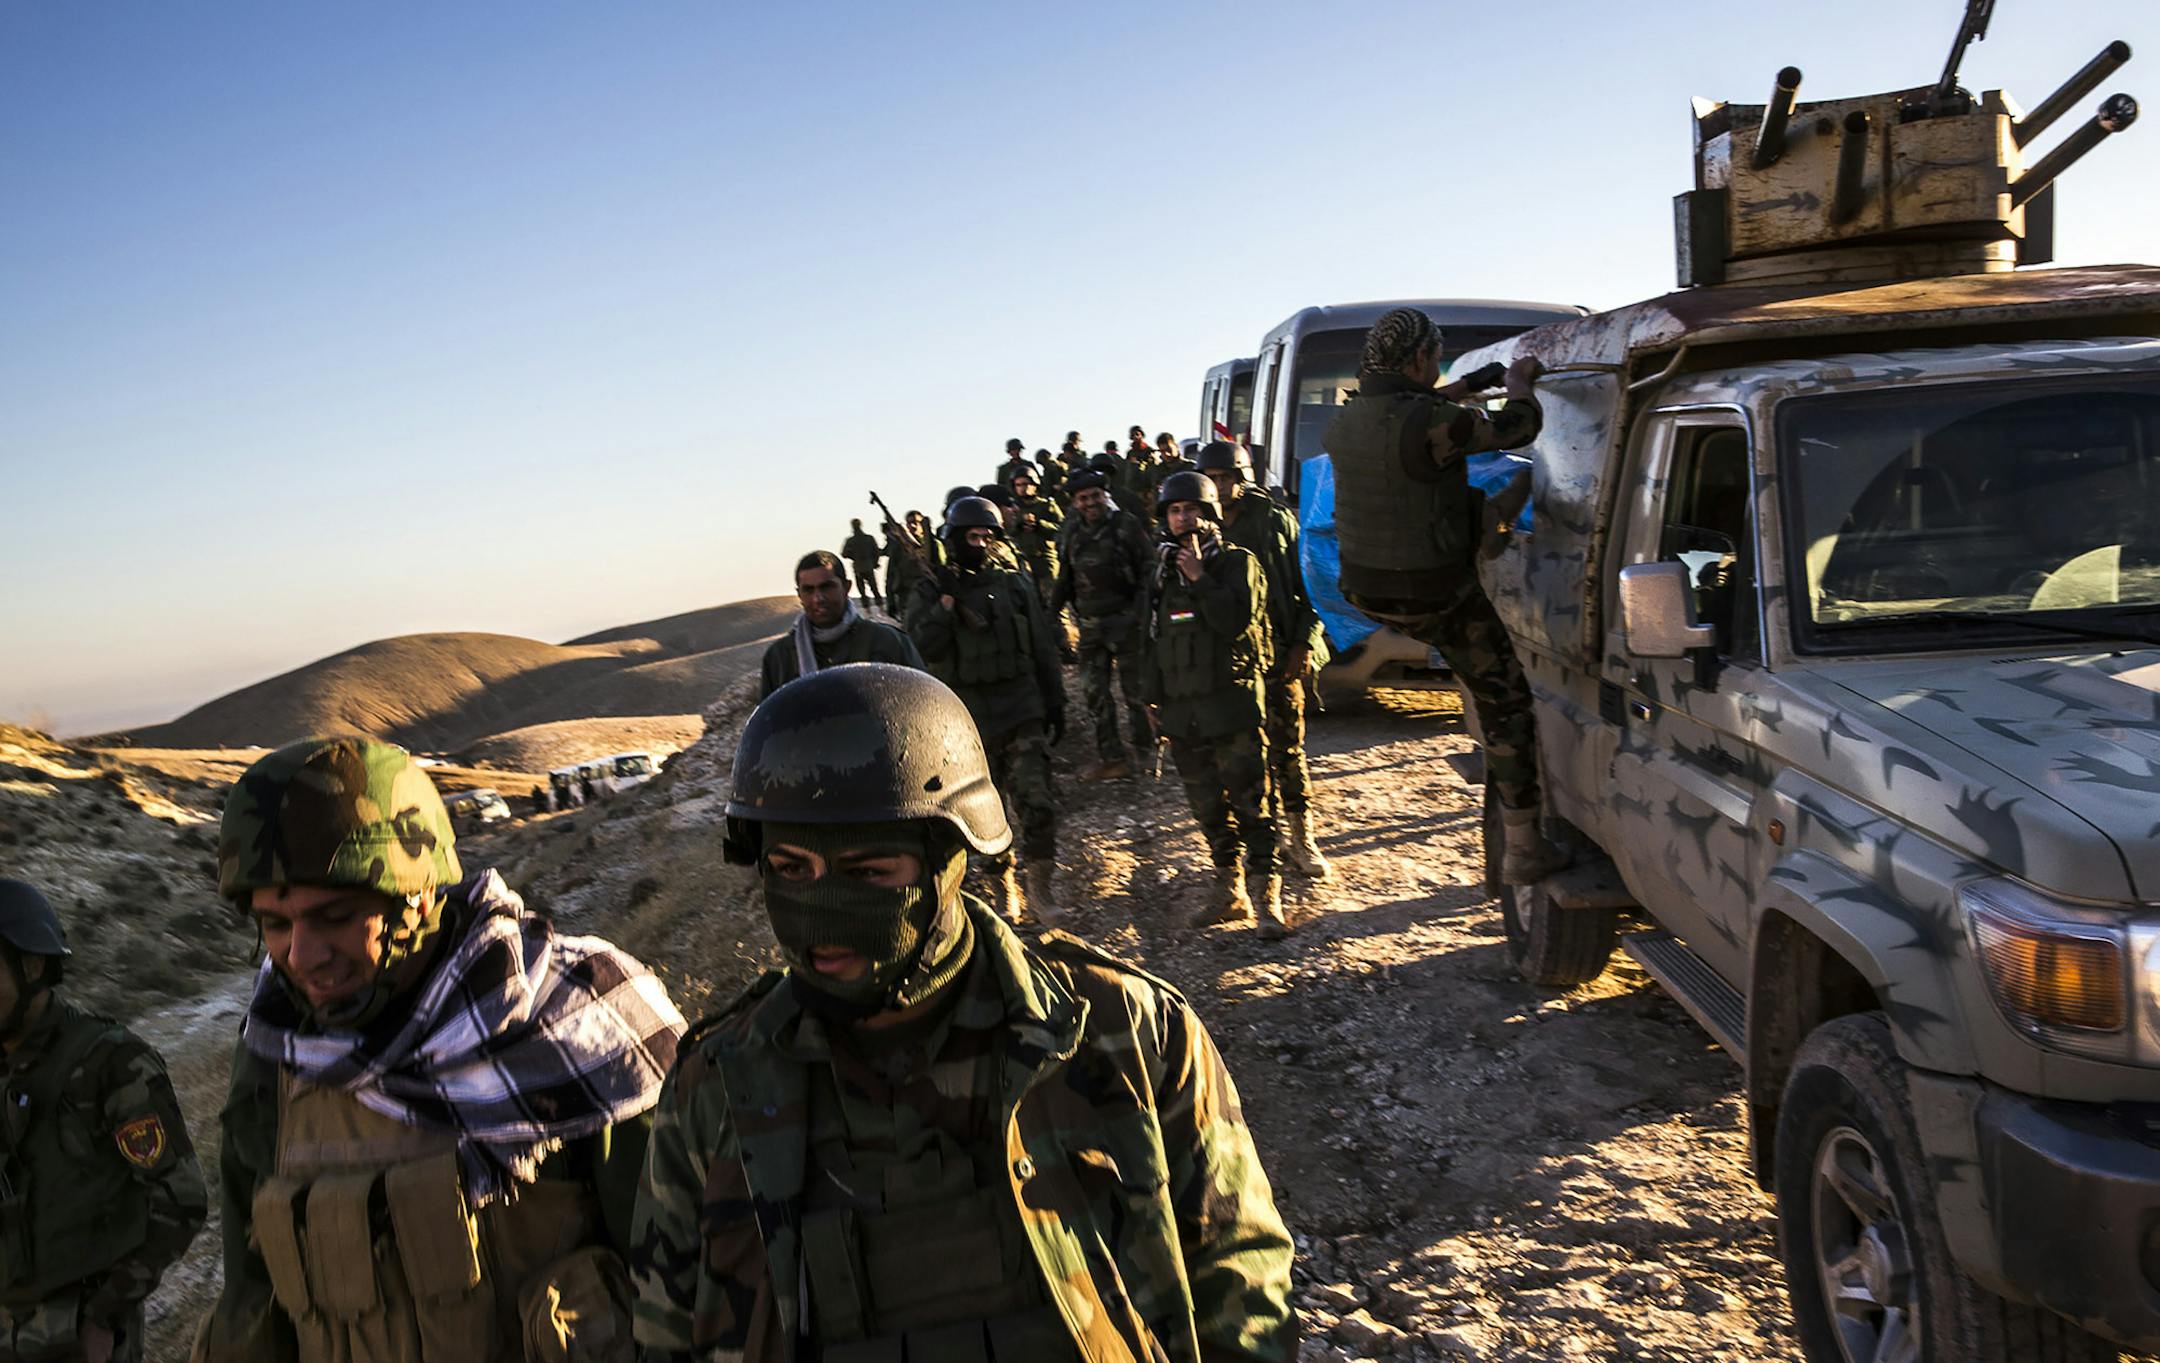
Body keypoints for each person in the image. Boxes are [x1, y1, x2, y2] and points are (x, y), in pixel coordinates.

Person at [628, 664, 1299, 1363]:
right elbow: (664, 1325)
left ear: (949, 861)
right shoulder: (718, 1084)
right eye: (791, 870)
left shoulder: (1120, 1030)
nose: (822, 913)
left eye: (866, 873)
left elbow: (1239, 1269)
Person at [194, 737, 686, 1362]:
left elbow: (682, 1282)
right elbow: (253, 1297)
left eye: (336, 916)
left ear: (416, 896)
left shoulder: (577, 1019)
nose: (302, 956)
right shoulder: (276, 1051)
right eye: (276, 924)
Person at [1323, 306, 1560, 884]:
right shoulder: (1434, 420)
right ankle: (1526, 846)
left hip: (1366, 589)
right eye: (1434, 357)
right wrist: (1519, 387)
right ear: (1420, 359)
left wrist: (1465, 388)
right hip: (1432, 593)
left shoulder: (1346, 419)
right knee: (1506, 702)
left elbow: (1410, 412)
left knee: (1468, 510)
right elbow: (1520, 427)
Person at [0, 879, 205, 1363]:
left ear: (31, 965)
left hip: (76, 1339)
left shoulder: (110, 1063)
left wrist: (103, 1315)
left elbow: (182, 1200)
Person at [905, 497, 1067, 921]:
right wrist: (943, 606)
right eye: (970, 537)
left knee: (1037, 801)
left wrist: (1055, 702)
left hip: (1020, 708)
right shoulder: (929, 591)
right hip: (964, 722)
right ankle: (1003, 889)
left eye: (986, 537)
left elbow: (1041, 647)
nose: (979, 544)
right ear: (954, 540)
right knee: (982, 810)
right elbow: (921, 650)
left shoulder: (1014, 585)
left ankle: (1041, 893)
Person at [1146, 472, 1289, 938]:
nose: (1183, 518)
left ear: (1208, 515)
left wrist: (1200, 579)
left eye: (1191, 509)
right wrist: (1151, 698)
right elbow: (1150, 639)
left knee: (1253, 805)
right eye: (1174, 510)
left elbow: (1234, 621)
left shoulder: (1235, 563)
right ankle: (1229, 892)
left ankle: (1267, 898)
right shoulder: (1161, 572)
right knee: (1207, 808)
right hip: (1184, 716)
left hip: (1232, 710)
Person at [1200, 440, 1333, 878]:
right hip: (1231, 668)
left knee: (1288, 751)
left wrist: (1304, 642)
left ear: (1242, 479)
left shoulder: (1274, 521)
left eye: (1226, 479)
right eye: (1213, 480)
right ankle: (1264, 847)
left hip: (1278, 658)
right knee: (1244, 762)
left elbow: (1308, 585)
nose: (1219, 489)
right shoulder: (1196, 530)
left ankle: (1302, 836)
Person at [1052, 468, 1157, 782]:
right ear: (1075, 503)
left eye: (1095, 496)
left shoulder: (1126, 525)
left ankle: (1145, 753)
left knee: (1136, 693)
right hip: (1090, 627)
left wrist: (1140, 612)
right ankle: (1113, 758)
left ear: (1105, 496)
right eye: (1083, 499)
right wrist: (1050, 615)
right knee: (1095, 694)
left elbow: (1148, 567)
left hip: (1126, 621)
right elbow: (1065, 578)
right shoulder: (1071, 532)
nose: (1090, 503)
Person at [762, 550, 925, 700]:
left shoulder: (888, 642)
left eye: (826, 587)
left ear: (846, 587)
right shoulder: (779, 657)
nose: (818, 598)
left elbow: (923, 702)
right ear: (799, 595)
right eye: (808, 590)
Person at [1004, 461, 1064, 606]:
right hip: (1022, 564)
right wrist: (1016, 527)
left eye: (1025, 484)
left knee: (1053, 607)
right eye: (1018, 485)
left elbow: (1062, 530)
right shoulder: (1012, 510)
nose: (1023, 488)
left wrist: (1040, 525)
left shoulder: (1047, 506)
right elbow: (1005, 534)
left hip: (1045, 561)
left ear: (1034, 485)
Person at [881, 508, 936, 621]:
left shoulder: (933, 545)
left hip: (930, 597)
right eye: (910, 523)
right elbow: (890, 575)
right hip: (906, 598)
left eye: (916, 523)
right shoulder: (898, 547)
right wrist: (890, 602)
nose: (913, 526)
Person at [841, 518, 885, 611]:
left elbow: (844, 554)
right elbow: (876, 552)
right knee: (873, 588)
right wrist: (875, 563)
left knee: (863, 590)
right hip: (868, 565)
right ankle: (880, 607)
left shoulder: (851, 541)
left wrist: (853, 555)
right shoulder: (868, 538)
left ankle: (868, 609)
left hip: (858, 567)